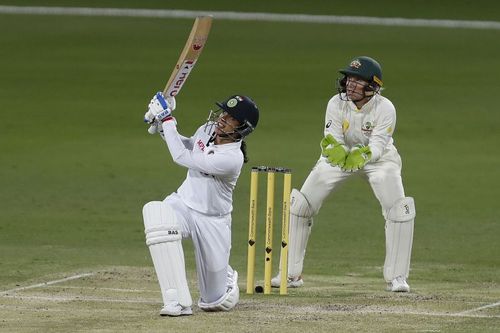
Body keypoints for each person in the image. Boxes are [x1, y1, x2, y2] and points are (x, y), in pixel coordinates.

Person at [271, 56, 416, 292]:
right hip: (340, 157)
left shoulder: (385, 108)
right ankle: (290, 274)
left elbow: (379, 144)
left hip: (378, 160)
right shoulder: (336, 103)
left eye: (357, 80)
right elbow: (332, 138)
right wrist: (336, 152)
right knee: (300, 205)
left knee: (398, 210)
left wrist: (364, 155)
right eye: (349, 78)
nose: (350, 83)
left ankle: (397, 277)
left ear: (372, 85)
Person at [142, 93, 259, 316]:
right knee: (157, 215)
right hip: (183, 203)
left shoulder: (230, 159)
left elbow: (181, 156)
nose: (222, 118)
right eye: (224, 112)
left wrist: (167, 119)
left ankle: (225, 277)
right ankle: (176, 301)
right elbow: (187, 144)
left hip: (213, 220)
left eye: (231, 117)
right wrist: (161, 127)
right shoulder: (207, 129)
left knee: (215, 302)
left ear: (242, 128)